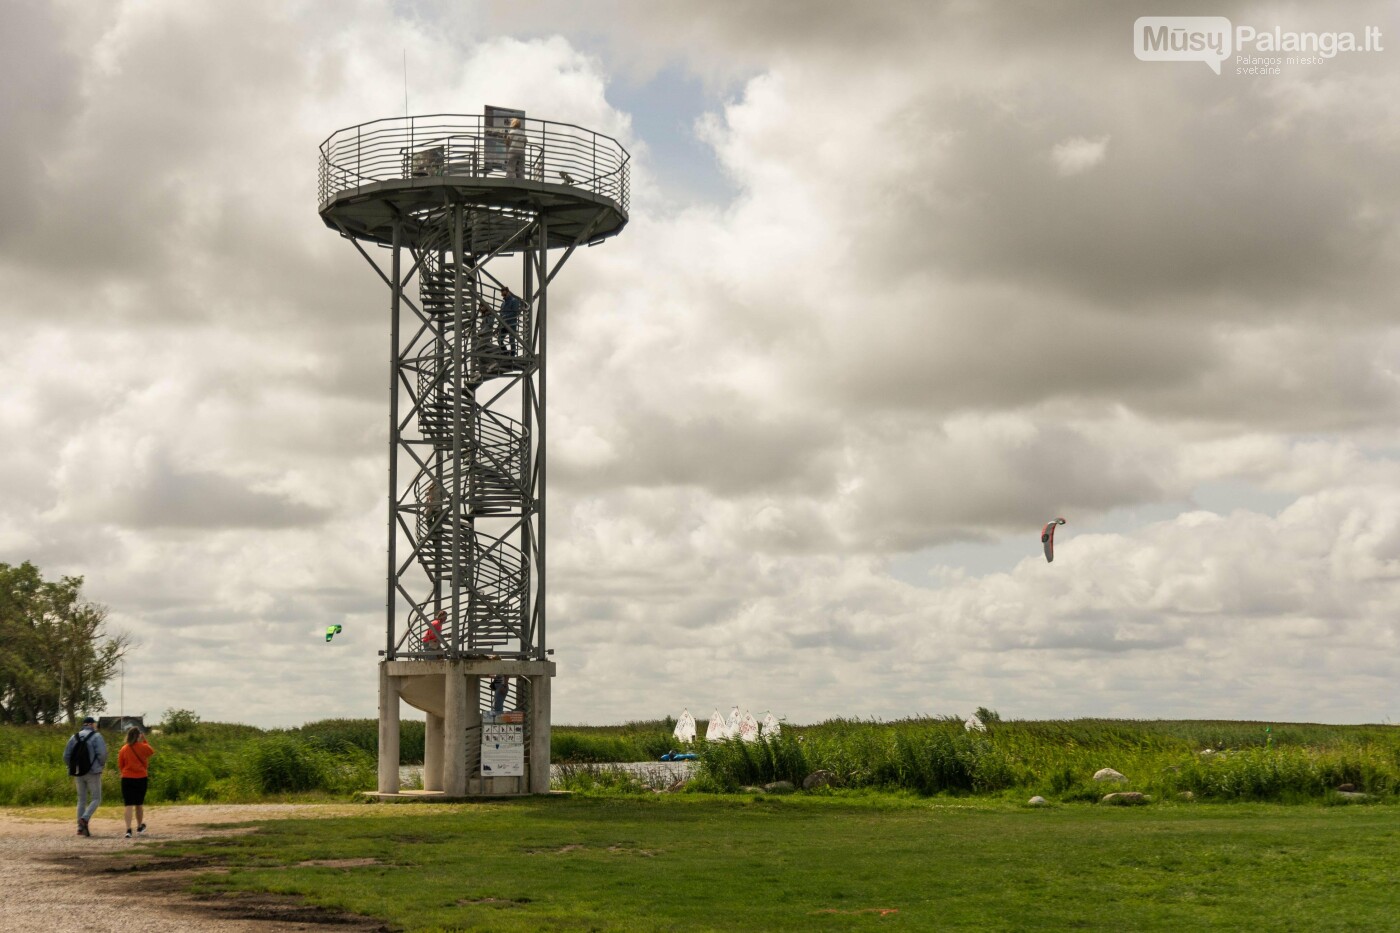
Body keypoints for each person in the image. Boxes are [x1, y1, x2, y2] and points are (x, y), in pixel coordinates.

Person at [63, 716, 107, 837]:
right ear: (92, 724)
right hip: (93, 772)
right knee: (96, 798)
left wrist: (72, 767)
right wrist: (100, 765)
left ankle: (80, 828)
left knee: (81, 800)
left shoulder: (74, 736)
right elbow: (102, 754)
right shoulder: (97, 736)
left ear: (83, 724)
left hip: (78, 772)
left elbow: (66, 756)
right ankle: (85, 818)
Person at [117, 727, 155, 839]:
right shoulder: (143, 747)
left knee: (128, 805)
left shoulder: (124, 749)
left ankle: (128, 830)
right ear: (138, 735)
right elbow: (151, 751)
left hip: (127, 778)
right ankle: (139, 826)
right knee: (139, 804)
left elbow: (120, 764)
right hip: (141, 777)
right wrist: (144, 740)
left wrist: (125, 772)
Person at [498, 287, 525, 354]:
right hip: (503, 324)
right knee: (499, 340)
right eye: (501, 292)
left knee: (511, 340)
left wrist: (505, 316)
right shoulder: (503, 304)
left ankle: (513, 356)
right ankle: (506, 353)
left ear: (507, 291)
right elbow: (500, 315)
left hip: (511, 323)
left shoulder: (514, 301)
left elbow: (515, 313)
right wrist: (498, 327)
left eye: (503, 291)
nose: (502, 293)